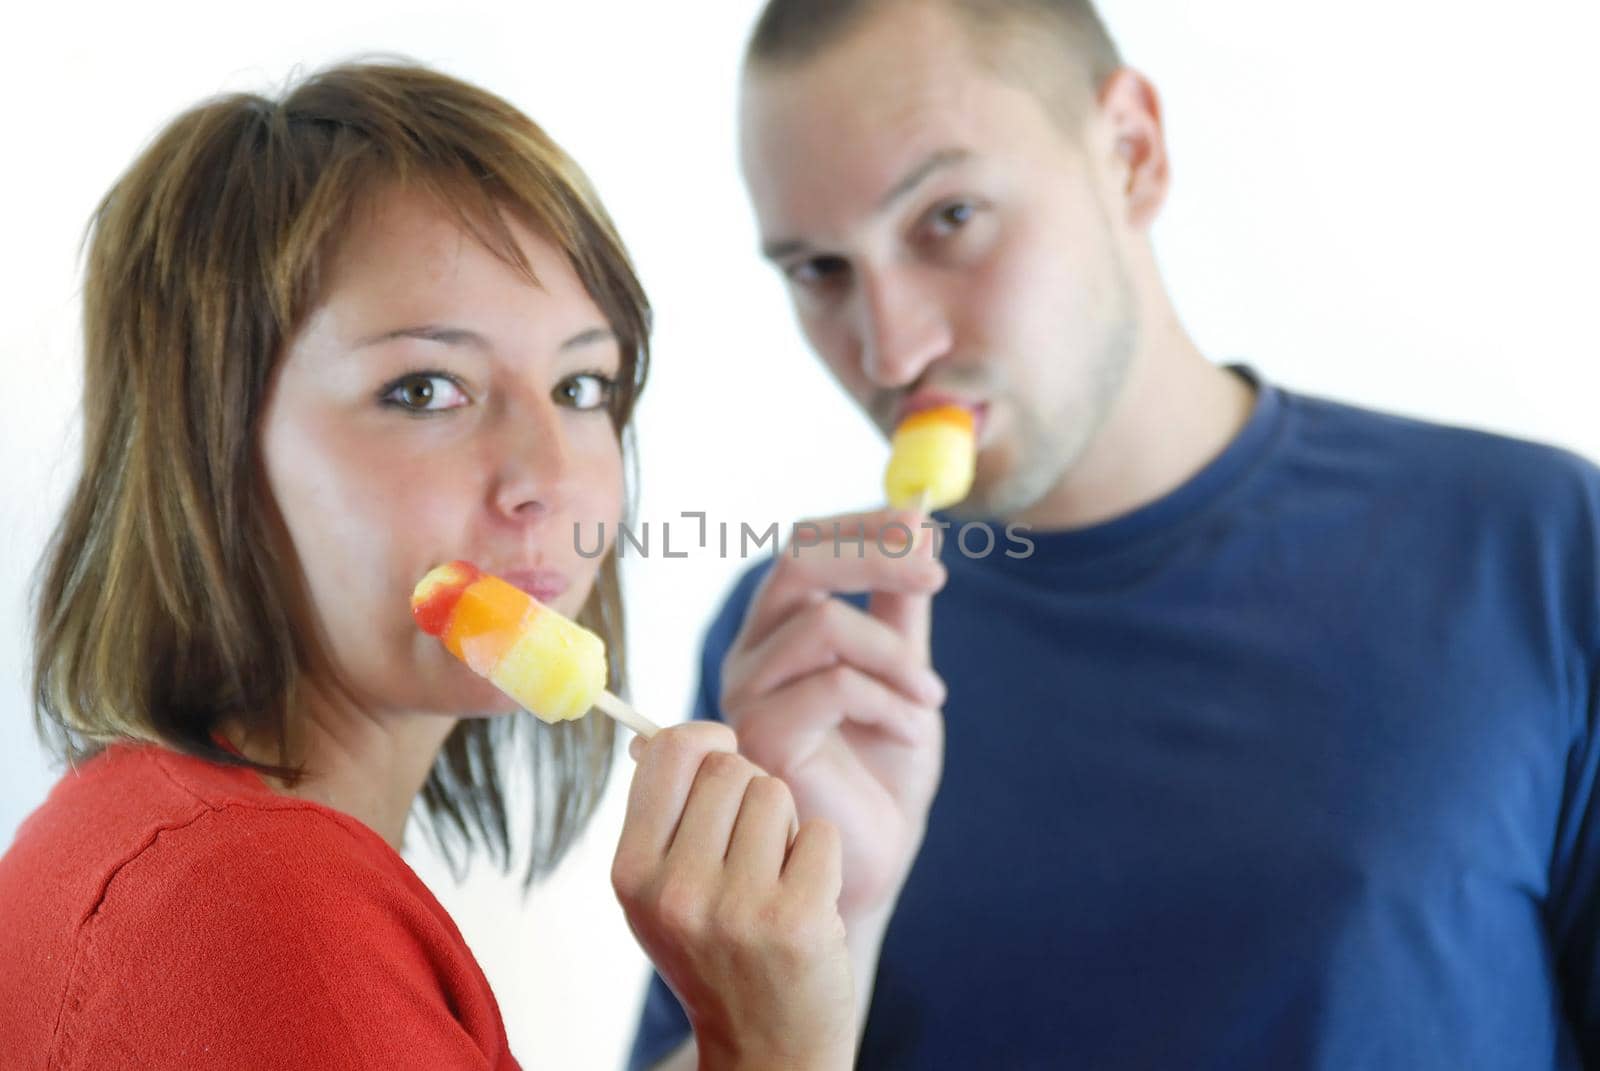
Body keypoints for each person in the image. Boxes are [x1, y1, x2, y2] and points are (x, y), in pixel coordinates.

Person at [630, 1, 1600, 1068]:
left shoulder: (1538, 550)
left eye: (948, 218)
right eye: (820, 271)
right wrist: (821, 950)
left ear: (1130, 154)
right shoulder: (804, 646)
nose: (893, 348)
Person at [0, 60, 872, 1071]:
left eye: (582, 384)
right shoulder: (260, 910)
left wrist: (828, 922)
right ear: (215, 454)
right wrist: (768, 1049)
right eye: (425, 389)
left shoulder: (177, 846)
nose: (548, 474)